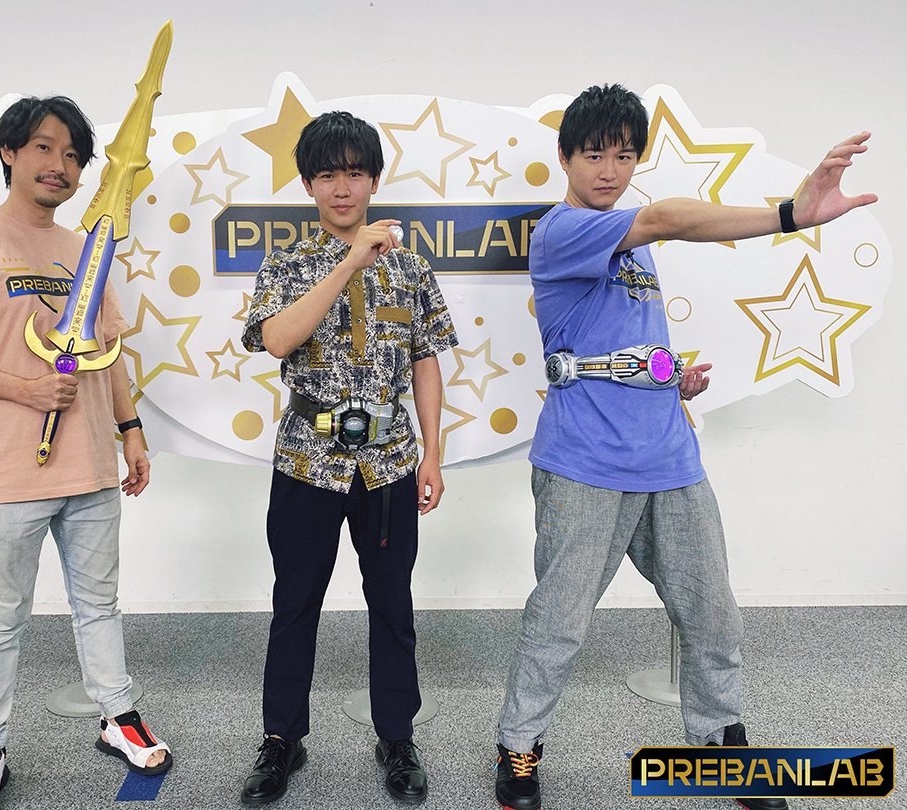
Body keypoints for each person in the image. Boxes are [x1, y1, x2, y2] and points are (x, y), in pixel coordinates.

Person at [493, 84, 876, 810]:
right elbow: (666, 217)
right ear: (565, 158)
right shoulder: (561, 231)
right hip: (584, 462)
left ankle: (720, 743)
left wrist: (668, 382)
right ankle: (520, 747)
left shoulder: (630, 247)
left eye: (624, 156)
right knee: (561, 621)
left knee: (712, 614)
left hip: (670, 457)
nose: (609, 170)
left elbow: (613, 341)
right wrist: (791, 214)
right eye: (594, 155)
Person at [0, 95, 172, 810]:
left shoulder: (86, 249)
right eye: (46, 148)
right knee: (1, 621)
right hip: (7, 472)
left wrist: (130, 429)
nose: (61, 165)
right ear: (9, 152)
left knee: (99, 605)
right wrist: (24, 391)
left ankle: (117, 716)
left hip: (89, 464)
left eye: (74, 156)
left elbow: (107, 351)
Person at [238, 110, 459, 806]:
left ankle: (397, 737)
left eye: (355, 173)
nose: (342, 187)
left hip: (389, 462)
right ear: (308, 184)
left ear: (374, 180)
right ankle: (282, 739)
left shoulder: (411, 268)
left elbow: (426, 360)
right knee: (294, 602)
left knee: (392, 604)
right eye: (327, 174)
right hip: (307, 460)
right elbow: (276, 340)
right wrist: (349, 262)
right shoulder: (287, 263)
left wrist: (433, 454)